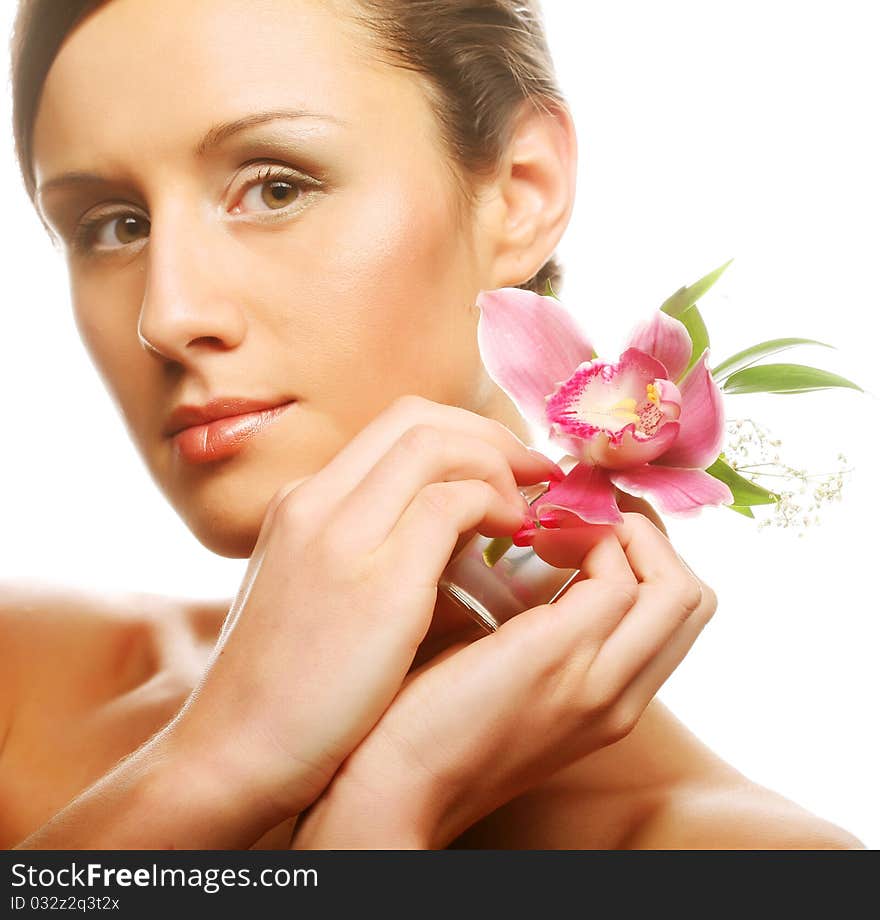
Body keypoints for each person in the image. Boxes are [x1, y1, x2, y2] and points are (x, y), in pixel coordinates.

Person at [3, 0, 862, 850]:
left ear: (521, 194)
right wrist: (217, 766)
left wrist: (391, 796)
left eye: (274, 186)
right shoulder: (21, 677)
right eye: (112, 225)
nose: (168, 313)